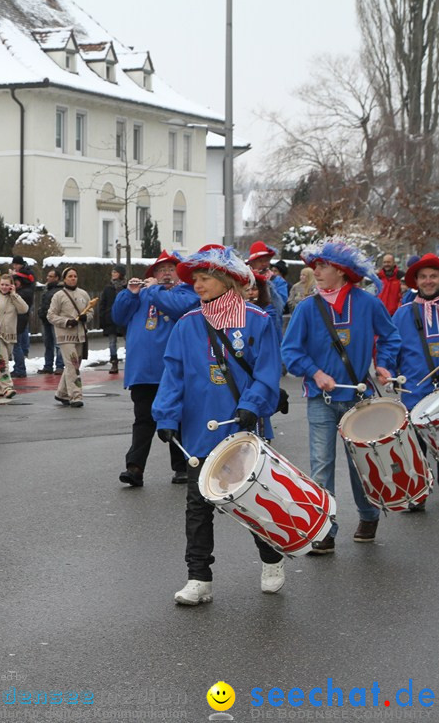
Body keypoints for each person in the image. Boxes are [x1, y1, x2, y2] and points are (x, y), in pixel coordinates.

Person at [153, 244, 284, 605]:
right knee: (198, 508)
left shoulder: (257, 320)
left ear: (227, 280)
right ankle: (199, 578)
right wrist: (165, 417)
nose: (197, 285)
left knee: (251, 504)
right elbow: (173, 376)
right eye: (195, 278)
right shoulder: (186, 324)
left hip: (242, 430)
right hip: (199, 434)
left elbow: (268, 372)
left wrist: (250, 405)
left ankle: (272, 560)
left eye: (205, 277)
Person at [282, 239, 400, 552]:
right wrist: (316, 372)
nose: (316, 271)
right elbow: (290, 350)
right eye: (316, 266)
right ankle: (325, 529)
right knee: (321, 464)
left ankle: (368, 515)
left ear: (342, 272)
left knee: (361, 463)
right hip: (321, 400)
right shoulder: (308, 307)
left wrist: (384, 366)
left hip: (359, 398)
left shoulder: (367, 303)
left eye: (323, 266)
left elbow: (390, 337)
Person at [113, 250, 198, 487]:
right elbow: (118, 316)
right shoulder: (142, 293)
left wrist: (153, 290)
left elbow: (177, 307)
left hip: (174, 371)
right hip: (142, 372)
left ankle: (182, 467)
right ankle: (135, 468)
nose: (166, 274)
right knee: (143, 420)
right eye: (161, 270)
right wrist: (128, 294)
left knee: (178, 418)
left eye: (171, 270)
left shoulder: (185, 292)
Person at [390, 254, 439, 511]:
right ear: (416, 281)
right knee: (415, 448)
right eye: (423, 277)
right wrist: (386, 369)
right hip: (415, 393)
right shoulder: (402, 314)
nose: (429, 281)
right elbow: (390, 348)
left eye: (433, 275)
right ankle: (418, 493)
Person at [46, 267, 93, 408]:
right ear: (64, 279)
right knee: (73, 364)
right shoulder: (58, 296)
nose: (73, 278)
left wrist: (87, 317)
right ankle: (75, 396)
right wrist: (66, 321)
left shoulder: (83, 294)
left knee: (72, 365)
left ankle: (62, 393)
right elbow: (51, 315)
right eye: (70, 276)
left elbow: (90, 310)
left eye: (75, 276)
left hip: (80, 335)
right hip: (65, 335)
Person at [0, 274, 25, 399]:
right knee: (2, 361)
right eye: (2, 284)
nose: (4, 287)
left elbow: (24, 309)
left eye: (7, 285)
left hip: (10, 335)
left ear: (11, 286)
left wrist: (14, 294)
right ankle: (7, 387)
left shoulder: (14, 298)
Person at [99, 264, 126, 375]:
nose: (113, 274)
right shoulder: (108, 288)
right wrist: (103, 318)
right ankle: (114, 362)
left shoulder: (126, 287)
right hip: (110, 318)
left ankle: (130, 361)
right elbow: (102, 304)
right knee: (112, 342)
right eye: (112, 272)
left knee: (128, 341)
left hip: (124, 318)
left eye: (115, 272)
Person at [37, 268, 64, 374]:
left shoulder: (59, 290)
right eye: (48, 276)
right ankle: (48, 365)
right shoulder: (47, 289)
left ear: (57, 278)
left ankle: (59, 366)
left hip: (55, 321)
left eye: (51, 276)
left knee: (57, 344)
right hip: (46, 320)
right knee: (48, 344)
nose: (48, 278)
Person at [10, 267, 35, 378]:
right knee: (16, 345)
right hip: (20, 321)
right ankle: (18, 367)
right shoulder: (26, 290)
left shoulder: (25, 292)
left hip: (20, 321)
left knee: (16, 346)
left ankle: (20, 368)